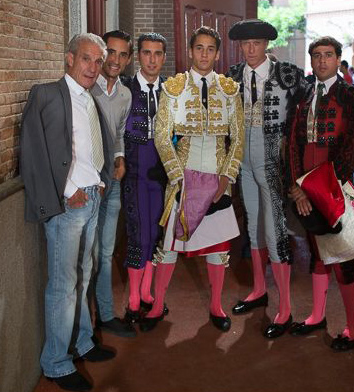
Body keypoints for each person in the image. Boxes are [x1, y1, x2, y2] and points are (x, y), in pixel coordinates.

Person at [20, 34, 115, 391]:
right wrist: (66, 191)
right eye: (87, 59)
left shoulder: (91, 100)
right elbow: (32, 149)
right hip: (67, 204)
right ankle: (56, 363)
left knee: (84, 275)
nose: (93, 67)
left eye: (98, 61)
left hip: (93, 197)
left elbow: (90, 148)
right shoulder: (46, 94)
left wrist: (99, 182)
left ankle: (82, 343)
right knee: (63, 285)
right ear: (70, 59)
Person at [139, 26, 244, 333]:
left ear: (218, 53)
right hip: (181, 178)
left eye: (210, 49)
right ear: (190, 50)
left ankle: (216, 305)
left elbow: (237, 138)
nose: (204, 54)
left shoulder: (229, 89)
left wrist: (226, 178)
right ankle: (158, 305)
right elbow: (161, 135)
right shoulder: (174, 87)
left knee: (217, 248)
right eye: (199, 48)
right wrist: (177, 176)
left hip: (216, 177)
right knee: (170, 245)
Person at [227, 19, 307, 338]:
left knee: (275, 232)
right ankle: (260, 290)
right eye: (246, 44)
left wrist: (298, 162)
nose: (250, 49)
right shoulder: (232, 76)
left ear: (266, 45)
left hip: (273, 163)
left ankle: (285, 307)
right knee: (253, 226)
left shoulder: (288, 75)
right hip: (243, 162)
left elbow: (306, 117)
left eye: (257, 43)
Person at [288, 36, 354, 351]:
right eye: (316, 56)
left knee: (343, 259)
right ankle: (317, 315)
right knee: (317, 254)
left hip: (337, 190)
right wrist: (297, 187)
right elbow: (294, 144)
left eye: (328, 55)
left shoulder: (353, 97)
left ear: (338, 59)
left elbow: (353, 148)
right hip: (306, 191)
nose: (322, 61)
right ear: (311, 61)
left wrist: (326, 188)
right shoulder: (305, 94)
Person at [90, 30, 135, 337]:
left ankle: (105, 316)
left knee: (105, 253)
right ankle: (83, 325)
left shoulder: (126, 95)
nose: (115, 60)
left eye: (122, 54)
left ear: (128, 59)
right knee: (86, 257)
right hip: (86, 184)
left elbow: (119, 133)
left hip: (113, 182)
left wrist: (120, 158)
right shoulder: (85, 87)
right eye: (111, 52)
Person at [122, 33, 169, 324]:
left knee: (156, 231)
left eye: (158, 53)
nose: (152, 59)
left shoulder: (171, 89)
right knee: (138, 231)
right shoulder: (125, 88)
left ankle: (146, 291)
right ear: (138, 55)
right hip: (134, 168)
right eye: (147, 53)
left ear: (164, 57)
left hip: (163, 170)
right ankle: (133, 297)